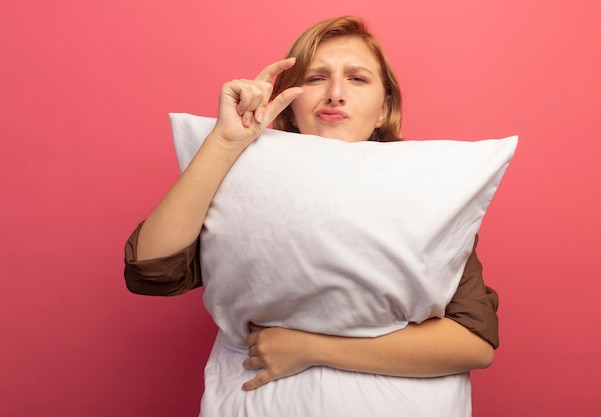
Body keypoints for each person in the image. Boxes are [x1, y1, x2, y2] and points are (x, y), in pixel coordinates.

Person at [124, 16, 499, 416]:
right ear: (288, 100)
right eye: (317, 78)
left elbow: (472, 342)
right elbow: (150, 271)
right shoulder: (243, 182)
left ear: (383, 108)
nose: (335, 93)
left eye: (357, 79)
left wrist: (314, 349)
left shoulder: (423, 195)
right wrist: (224, 142)